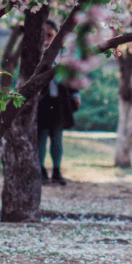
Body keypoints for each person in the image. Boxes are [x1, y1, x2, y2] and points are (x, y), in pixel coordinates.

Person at [36, 20, 79, 186]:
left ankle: (56, 170)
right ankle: (40, 169)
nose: (47, 40)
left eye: (50, 35)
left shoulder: (64, 55)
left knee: (57, 138)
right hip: (42, 102)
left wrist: (76, 94)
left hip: (60, 101)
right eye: (44, 36)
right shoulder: (36, 54)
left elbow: (72, 78)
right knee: (41, 136)